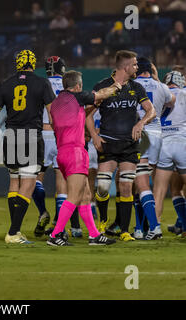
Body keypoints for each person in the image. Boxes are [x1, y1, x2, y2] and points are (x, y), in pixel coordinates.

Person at [0, 50, 55, 244]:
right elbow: (52, 112)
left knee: (14, 182)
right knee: (29, 183)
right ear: (33, 63)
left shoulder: (6, 84)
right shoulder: (42, 83)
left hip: (11, 136)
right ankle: (14, 232)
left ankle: (15, 230)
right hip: (31, 136)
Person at [86, 50, 156, 241]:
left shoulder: (137, 87)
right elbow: (87, 114)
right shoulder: (103, 86)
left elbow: (152, 111)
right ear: (125, 67)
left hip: (129, 146)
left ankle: (124, 231)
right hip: (107, 144)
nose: (137, 68)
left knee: (126, 187)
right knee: (102, 186)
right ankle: (102, 222)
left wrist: (141, 122)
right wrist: (94, 135)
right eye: (134, 65)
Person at [47, 71, 118, 246]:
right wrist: (117, 86)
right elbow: (102, 93)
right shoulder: (78, 97)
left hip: (62, 153)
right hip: (75, 152)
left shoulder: (56, 104)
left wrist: (93, 106)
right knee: (74, 196)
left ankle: (94, 235)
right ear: (78, 86)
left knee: (85, 195)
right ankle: (55, 235)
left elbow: (76, 115)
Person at [33, 56, 80, 238]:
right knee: (62, 183)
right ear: (63, 70)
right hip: (62, 136)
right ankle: (60, 228)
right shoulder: (68, 86)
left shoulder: (40, 84)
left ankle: (43, 212)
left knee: (36, 179)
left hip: (42, 134)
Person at [130, 57, 175, 240]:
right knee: (144, 181)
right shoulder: (161, 86)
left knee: (139, 182)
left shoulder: (131, 84)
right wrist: (156, 79)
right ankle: (142, 228)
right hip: (157, 135)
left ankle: (149, 227)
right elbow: (171, 102)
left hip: (141, 134)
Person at [153, 70, 186, 237]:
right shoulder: (184, 93)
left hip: (162, 143)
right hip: (182, 142)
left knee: (159, 190)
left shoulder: (159, 92)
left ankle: (155, 227)